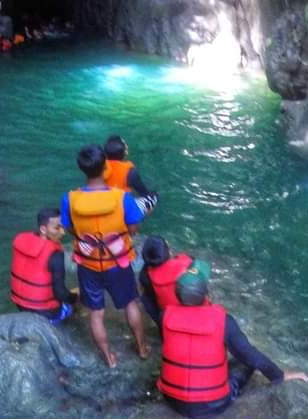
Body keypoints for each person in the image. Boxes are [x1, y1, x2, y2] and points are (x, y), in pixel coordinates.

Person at [157, 260, 308, 416]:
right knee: (246, 362)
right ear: (205, 293)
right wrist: (280, 376)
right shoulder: (223, 321)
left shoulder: (164, 316)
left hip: (172, 399)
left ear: (177, 293)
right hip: (212, 405)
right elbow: (252, 357)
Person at [61, 143, 149, 367]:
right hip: (117, 262)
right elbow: (133, 228)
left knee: (96, 313)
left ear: (82, 169)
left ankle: (109, 358)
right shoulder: (122, 198)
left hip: (88, 263)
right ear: (105, 167)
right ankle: (141, 348)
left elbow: (70, 229)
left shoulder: (69, 199)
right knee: (130, 303)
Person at [10, 208, 77, 323]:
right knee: (74, 305)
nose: (63, 232)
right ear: (43, 229)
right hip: (45, 312)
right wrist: (75, 297)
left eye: (62, 227)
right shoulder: (56, 256)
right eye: (57, 228)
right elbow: (60, 293)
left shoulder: (22, 241)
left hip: (19, 304)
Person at [138, 236, 193, 322]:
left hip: (167, 315)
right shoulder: (186, 262)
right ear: (168, 252)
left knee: (145, 299)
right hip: (189, 310)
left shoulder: (145, 275)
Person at [103, 135, 159, 212]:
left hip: (103, 203)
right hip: (120, 208)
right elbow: (143, 192)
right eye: (124, 144)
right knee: (153, 197)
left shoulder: (98, 166)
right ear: (125, 151)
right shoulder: (129, 171)